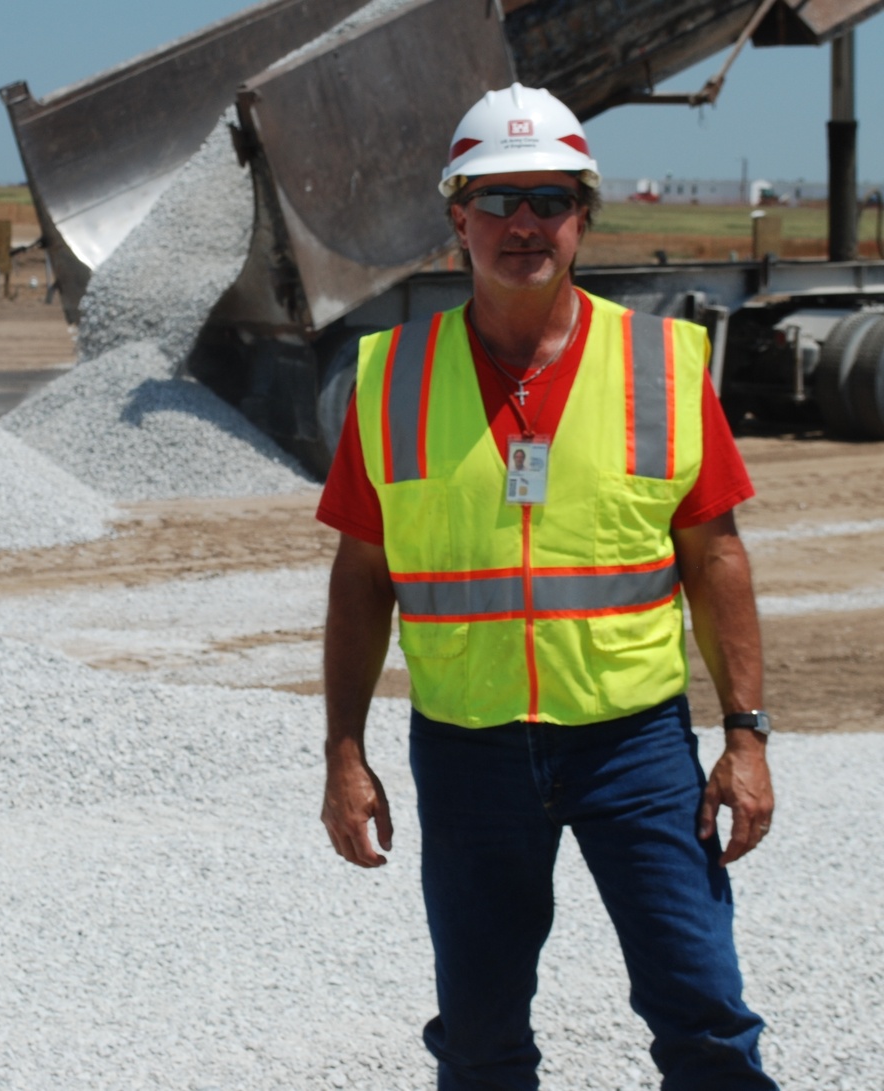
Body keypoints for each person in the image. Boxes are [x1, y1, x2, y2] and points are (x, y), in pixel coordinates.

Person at [317, 83, 777, 1090]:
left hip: (635, 745)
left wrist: (745, 735)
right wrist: (343, 752)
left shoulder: (660, 360)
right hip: (467, 750)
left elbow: (717, 556)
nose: (523, 220)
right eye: (497, 197)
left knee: (703, 1018)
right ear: (456, 218)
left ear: (583, 215)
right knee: (481, 1039)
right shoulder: (390, 375)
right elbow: (361, 577)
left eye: (549, 196)